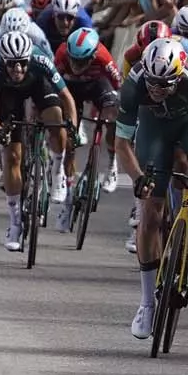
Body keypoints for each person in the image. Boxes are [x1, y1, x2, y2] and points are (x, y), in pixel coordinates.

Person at [115, 39, 188, 340]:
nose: (155, 89)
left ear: (178, 76)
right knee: (150, 214)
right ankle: (146, 304)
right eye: (152, 82)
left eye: (164, 83)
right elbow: (121, 145)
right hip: (154, 129)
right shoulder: (133, 86)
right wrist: (138, 177)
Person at [0, 30, 80, 250]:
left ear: (29, 59)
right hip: (8, 95)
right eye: (12, 64)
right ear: (4, 61)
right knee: (12, 157)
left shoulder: (40, 59)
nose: (17, 69)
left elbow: (66, 98)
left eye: (22, 63)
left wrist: (71, 126)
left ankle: (57, 170)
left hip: (38, 84)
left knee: (56, 116)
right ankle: (14, 223)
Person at [54, 26, 122, 233]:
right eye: (73, 60)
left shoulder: (104, 57)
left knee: (113, 116)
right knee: (69, 140)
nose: (76, 65)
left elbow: (117, 85)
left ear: (93, 56)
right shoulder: (61, 54)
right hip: (71, 88)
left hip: (97, 85)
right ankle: (68, 198)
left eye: (82, 62)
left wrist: (110, 114)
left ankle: (112, 162)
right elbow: (51, 82)